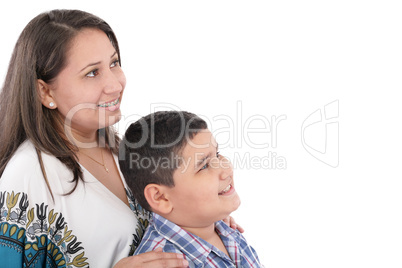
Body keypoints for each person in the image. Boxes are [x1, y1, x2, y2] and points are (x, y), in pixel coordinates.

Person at [0, 9, 192, 267]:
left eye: (114, 63)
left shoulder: (123, 149)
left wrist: (206, 221)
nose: (115, 85)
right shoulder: (27, 175)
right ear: (45, 92)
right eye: (92, 73)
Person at [119, 111, 263, 267]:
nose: (226, 169)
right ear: (161, 198)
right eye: (205, 166)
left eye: (218, 154)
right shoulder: (163, 262)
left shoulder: (224, 229)